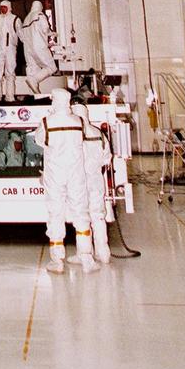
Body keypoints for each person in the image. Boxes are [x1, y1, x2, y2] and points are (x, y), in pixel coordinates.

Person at [34, 89, 97, 274]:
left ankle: (57, 260)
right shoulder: (78, 121)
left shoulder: (47, 122)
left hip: (56, 174)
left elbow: (40, 140)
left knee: (56, 214)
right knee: (81, 212)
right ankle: (86, 257)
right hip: (76, 173)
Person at [72, 103, 112, 264]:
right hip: (96, 180)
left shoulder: (73, 135)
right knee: (98, 216)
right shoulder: (99, 134)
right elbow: (107, 158)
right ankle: (104, 253)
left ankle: (84, 254)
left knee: (82, 217)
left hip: (80, 181)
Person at [20, 0, 57, 95]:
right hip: (39, 47)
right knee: (51, 67)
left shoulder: (26, 19)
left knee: (32, 69)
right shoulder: (39, 15)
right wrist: (52, 33)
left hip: (28, 49)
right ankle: (34, 80)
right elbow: (45, 29)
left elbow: (22, 35)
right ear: (40, 7)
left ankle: (33, 95)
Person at [0, 0, 21, 102]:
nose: (2, 9)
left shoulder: (15, 19)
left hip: (10, 49)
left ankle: (10, 96)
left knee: (10, 72)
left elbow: (21, 34)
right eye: (1, 7)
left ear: (9, 7)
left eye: (4, 7)